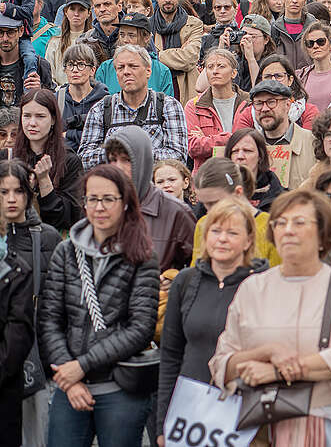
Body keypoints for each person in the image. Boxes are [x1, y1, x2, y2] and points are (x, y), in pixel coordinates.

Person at [209, 188, 331, 445]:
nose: (288, 230)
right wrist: (266, 352)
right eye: (280, 223)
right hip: (253, 427)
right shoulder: (253, 288)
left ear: (323, 235)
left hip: (317, 425)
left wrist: (275, 372)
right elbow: (222, 362)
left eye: (299, 222)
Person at [38, 164, 160, 447]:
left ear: (125, 203)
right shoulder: (66, 251)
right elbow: (49, 319)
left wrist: (83, 365)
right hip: (70, 385)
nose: (99, 207)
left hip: (120, 386)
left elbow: (140, 327)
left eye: (108, 199)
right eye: (92, 199)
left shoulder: (142, 255)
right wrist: (69, 376)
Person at [155, 196, 269, 442]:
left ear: (249, 240)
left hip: (242, 412)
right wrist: (163, 422)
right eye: (216, 231)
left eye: (232, 232)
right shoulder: (185, 281)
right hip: (190, 409)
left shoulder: (263, 284)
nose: (222, 239)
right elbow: (171, 355)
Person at [0, 159, 60, 447]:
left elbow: (57, 301)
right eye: (3, 192)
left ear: (29, 193)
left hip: (37, 357)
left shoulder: (47, 237)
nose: (11, 199)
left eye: (18, 191)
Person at [102, 124, 196, 273]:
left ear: (142, 161)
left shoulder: (176, 212)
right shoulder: (100, 206)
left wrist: (175, 279)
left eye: (126, 160)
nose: (118, 167)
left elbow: (198, 269)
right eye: (113, 159)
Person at [78, 44, 188, 167]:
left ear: (148, 71)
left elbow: (178, 157)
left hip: (154, 178)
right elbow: (85, 159)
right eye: (120, 68)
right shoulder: (101, 109)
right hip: (115, 178)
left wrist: (130, 153)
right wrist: (121, 154)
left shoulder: (168, 106)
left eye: (133, 66)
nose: (126, 72)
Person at [13, 89, 84, 231]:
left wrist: (44, 180)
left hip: (52, 240)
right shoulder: (9, 157)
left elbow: (68, 219)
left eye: (40, 116)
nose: (32, 123)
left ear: (53, 119)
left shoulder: (69, 161)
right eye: (27, 116)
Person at [241, 80, 316, 190]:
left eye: (271, 102)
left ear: (288, 105)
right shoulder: (247, 148)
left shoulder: (313, 143)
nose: (265, 109)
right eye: (258, 103)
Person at [185, 48, 248, 173]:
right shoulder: (194, 105)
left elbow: (253, 142)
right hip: (207, 176)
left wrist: (207, 139)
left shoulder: (248, 102)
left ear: (233, 73)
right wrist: (232, 137)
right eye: (210, 67)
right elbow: (193, 147)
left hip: (243, 173)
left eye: (221, 66)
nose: (215, 71)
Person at [93, 12, 174, 97]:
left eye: (131, 35)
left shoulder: (161, 71)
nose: (125, 40)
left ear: (146, 37)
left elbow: (167, 102)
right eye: (122, 35)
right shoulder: (105, 68)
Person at [232, 55, 320, 132]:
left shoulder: (308, 111)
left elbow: (308, 142)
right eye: (267, 77)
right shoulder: (247, 112)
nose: (273, 80)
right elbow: (240, 142)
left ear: (290, 80)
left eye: (279, 76)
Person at [150, 0, 203, 102]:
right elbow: (143, 62)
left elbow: (189, 59)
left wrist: (156, 55)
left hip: (185, 90)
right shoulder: (147, 26)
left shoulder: (194, 24)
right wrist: (178, 53)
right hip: (156, 89)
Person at [55, 44, 109, 153]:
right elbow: (52, 138)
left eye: (81, 64)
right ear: (65, 70)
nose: (75, 70)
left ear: (92, 70)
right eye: (70, 65)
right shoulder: (56, 100)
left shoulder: (105, 101)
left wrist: (68, 134)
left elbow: (104, 139)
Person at [225, 127, 286, 212]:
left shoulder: (283, 200)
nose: (240, 156)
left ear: (260, 156)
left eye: (247, 151)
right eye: (235, 151)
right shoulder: (215, 195)